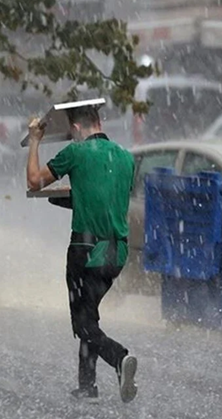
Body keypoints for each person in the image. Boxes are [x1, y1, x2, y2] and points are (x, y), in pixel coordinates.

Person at [26, 105, 138, 403]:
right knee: (89, 314)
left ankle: (119, 358)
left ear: (75, 128)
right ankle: (87, 385)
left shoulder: (75, 153)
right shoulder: (126, 158)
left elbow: (34, 181)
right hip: (116, 253)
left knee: (83, 324)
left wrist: (35, 140)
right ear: (99, 122)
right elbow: (106, 200)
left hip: (86, 251)